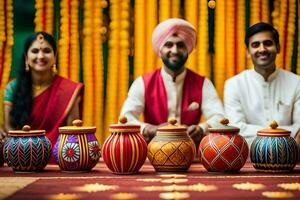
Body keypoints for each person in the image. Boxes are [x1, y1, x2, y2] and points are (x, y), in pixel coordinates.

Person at [120, 18, 224, 147]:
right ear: (160, 50)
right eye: (168, 45)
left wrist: (201, 129)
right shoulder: (143, 82)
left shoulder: (203, 83)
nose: (174, 51)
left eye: (180, 45)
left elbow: (220, 118)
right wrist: (148, 129)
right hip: (153, 154)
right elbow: (125, 118)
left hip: (191, 155)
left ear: (188, 49)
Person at [0, 32, 83, 149]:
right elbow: (8, 128)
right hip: (19, 154)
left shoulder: (68, 90)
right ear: (26, 58)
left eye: (47, 51)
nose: (41, 56)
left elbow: (72, 134)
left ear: (55, 57)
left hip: (58, 157)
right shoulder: (12, 88)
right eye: (35, 51)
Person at [224, 22, 300, 146]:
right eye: (255, 45)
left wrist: (252, 132)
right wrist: (283, 133)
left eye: (268, 43)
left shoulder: (296, 83)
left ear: (278, 47)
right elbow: (236, 129)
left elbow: (299, 129)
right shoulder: (234, 85)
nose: (262, 49)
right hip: (249, 159)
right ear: (248, 52)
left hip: (290, 158)